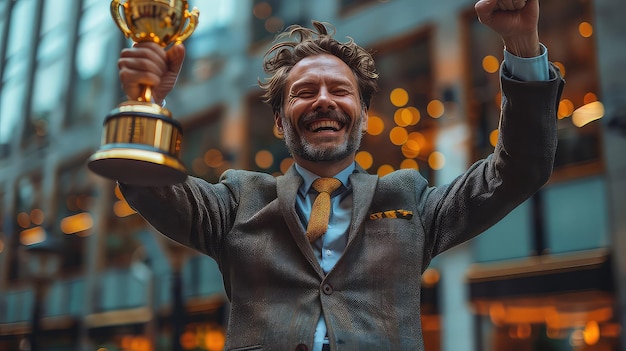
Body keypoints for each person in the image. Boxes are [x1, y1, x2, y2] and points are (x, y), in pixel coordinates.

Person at [115, 0, 564, 350]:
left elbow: (518, 169)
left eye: (340, 90)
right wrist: (148, 98)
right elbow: (150, 189)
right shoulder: (238, 199)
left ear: (364, 115)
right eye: (305, 92)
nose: (323, 100)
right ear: (279, 122)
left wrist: (522, 46)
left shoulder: (411, 198)